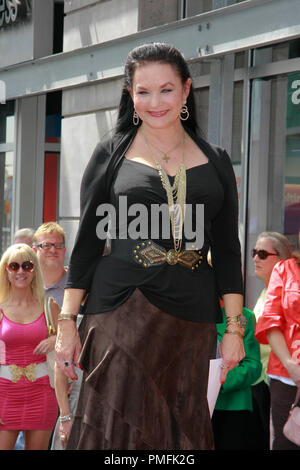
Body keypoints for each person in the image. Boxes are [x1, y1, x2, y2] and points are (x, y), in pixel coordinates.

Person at [55, 42, 244, 450]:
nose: (154, 102)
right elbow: (87, 245)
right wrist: (68, 323)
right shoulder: (111, 153)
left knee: (181, 435)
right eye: (143, 91)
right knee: (112, 433)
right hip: (120, 312)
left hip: (192, 316)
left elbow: (229, 250)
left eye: (166, 89)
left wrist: (234, 328)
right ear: (130, 94)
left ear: (187, 89)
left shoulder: (216, 160)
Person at [0, 243, 59, 450]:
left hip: (42, 391)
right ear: (6, 272)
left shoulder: (49, 305)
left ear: (34, 271)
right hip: (4, 393)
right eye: (14, 266)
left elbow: (70, 341)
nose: (21, 271)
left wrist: (56, 340)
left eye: (27, 265)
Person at [256, 229, 300, 450]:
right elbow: (270, 322)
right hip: (287, 375)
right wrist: (291, 365)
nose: (255, 258)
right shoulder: (285, 269)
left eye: (261, 253)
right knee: (286, 442)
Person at [212, 307, 261, 450]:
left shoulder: (243, 317)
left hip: (232, 407)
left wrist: (221, 380)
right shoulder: (185, 310)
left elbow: (253, 365)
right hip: (191, 405)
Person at [33, 222, 68, 308]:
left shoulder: (77, 285)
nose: (53, 250)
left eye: (58, 245)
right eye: (46, 245)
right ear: (34, 251)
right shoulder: (25, 286)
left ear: (64, 250)